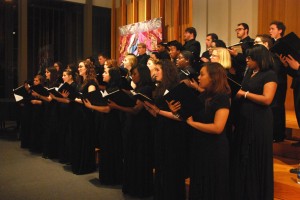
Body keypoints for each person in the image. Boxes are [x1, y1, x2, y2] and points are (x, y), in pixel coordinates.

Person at [231, 45, 277, 200]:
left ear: (259, 59)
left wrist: (244, 94)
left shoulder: (269, 74)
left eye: (250, 58)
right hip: (244, 118)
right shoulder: (250, 72)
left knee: (255, 155)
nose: (247, 60)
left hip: (259, 120)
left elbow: (267, 99)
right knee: (244, 155)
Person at [144, 59, 188, 200]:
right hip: (161, 129)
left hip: (174, 133)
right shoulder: (159, 88)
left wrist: (159, 111)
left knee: (171, 168)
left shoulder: (176, 88)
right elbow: (160, 111)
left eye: (158, 70)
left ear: (167, 71)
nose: (155, 73)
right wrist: (153, 111)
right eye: (154, 69)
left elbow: (181, 117)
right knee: (161, 166)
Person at [108, 65, 154, 197]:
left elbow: (135, 110)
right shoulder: (140, 88)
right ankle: (133, 186)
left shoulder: (146, 88)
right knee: (132, 156)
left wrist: (117, 106)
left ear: (142, 74)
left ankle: (139, 189)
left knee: (139, 157)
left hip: (141, 128)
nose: (132, 76)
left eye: (135, 74)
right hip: (134, 126)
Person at [187, 62, 231, 200]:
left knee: (212, 188)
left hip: (214, 150)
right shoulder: (203, 96)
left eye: (202, 74)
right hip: (201, 147)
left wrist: (192, 123)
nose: (198, 78)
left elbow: (218, 128)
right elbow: (190, 115)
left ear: (213, 77)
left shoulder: (222, 97)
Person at [84, 66, 123, 185]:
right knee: (106, 149)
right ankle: (108, 176)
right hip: (106, 121)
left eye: (106, 73)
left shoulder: (114, 89)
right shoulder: (108, 88)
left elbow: (107, 109)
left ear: (112, 76)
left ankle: (112, 177)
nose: (103, 75)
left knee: (110, 149)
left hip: (112, 123)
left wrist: (91, 106)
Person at [71, 60, 98, 175]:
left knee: (85, 139)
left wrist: (76, 99)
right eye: (78, 67)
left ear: (87, 68)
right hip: (79, 115)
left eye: (81, 66)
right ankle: (78, 163)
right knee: (78, 139)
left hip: (86, 115)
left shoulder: (91, 83)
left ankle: (85, 165)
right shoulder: (82, 82)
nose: (79, 68)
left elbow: (91, 101)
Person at [269, 21, 288, 142]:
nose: (270, 31)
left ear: (280, 30)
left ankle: (279, 134)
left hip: (280, 79)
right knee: (273, 107)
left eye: (272, 29)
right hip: (274, 78)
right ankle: (275, 133)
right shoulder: (273, 44)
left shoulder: (284, 43)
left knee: (278, 106)